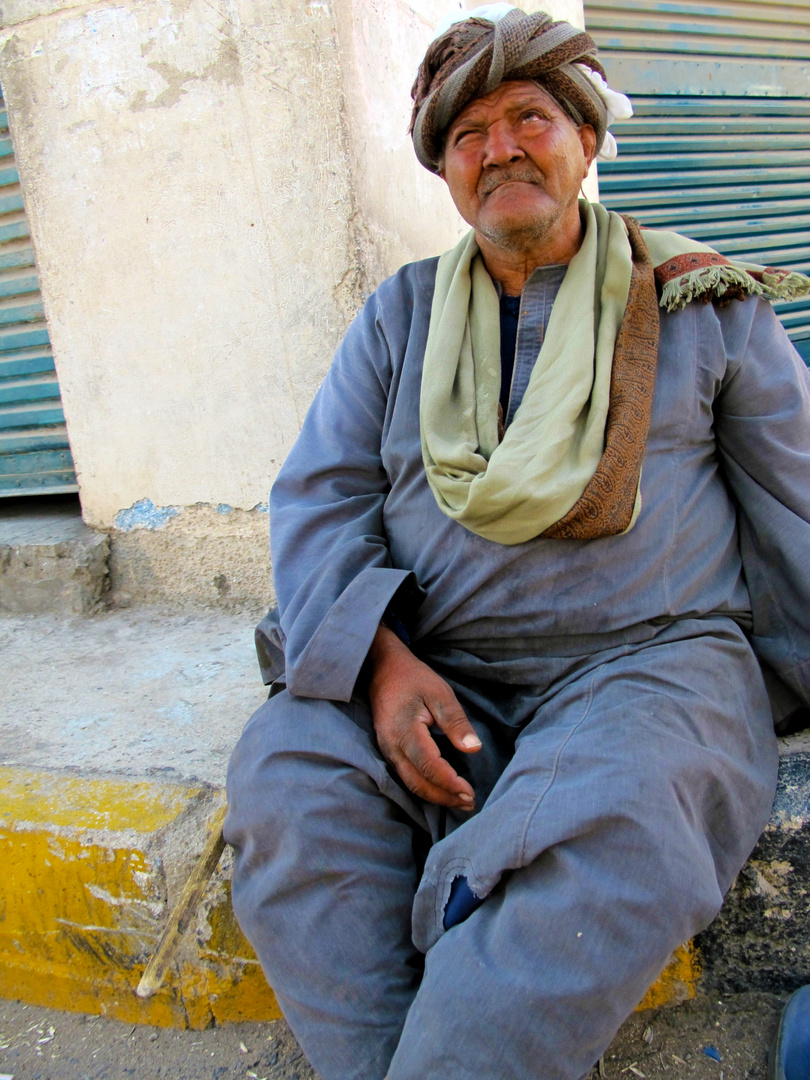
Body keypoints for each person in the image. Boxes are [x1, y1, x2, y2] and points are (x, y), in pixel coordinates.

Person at [224, 7, 810, 1080]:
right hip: (438, 676)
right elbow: (319, 500)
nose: (500, 149)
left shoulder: (700, 304)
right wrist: (380, 666)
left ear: (587, 139)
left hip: (651, 674)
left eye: (530, 117)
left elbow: (799, 503)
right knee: (287, 782)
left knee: (613, 828)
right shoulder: (398, 318)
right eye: (466, 135)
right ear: (446, 171)